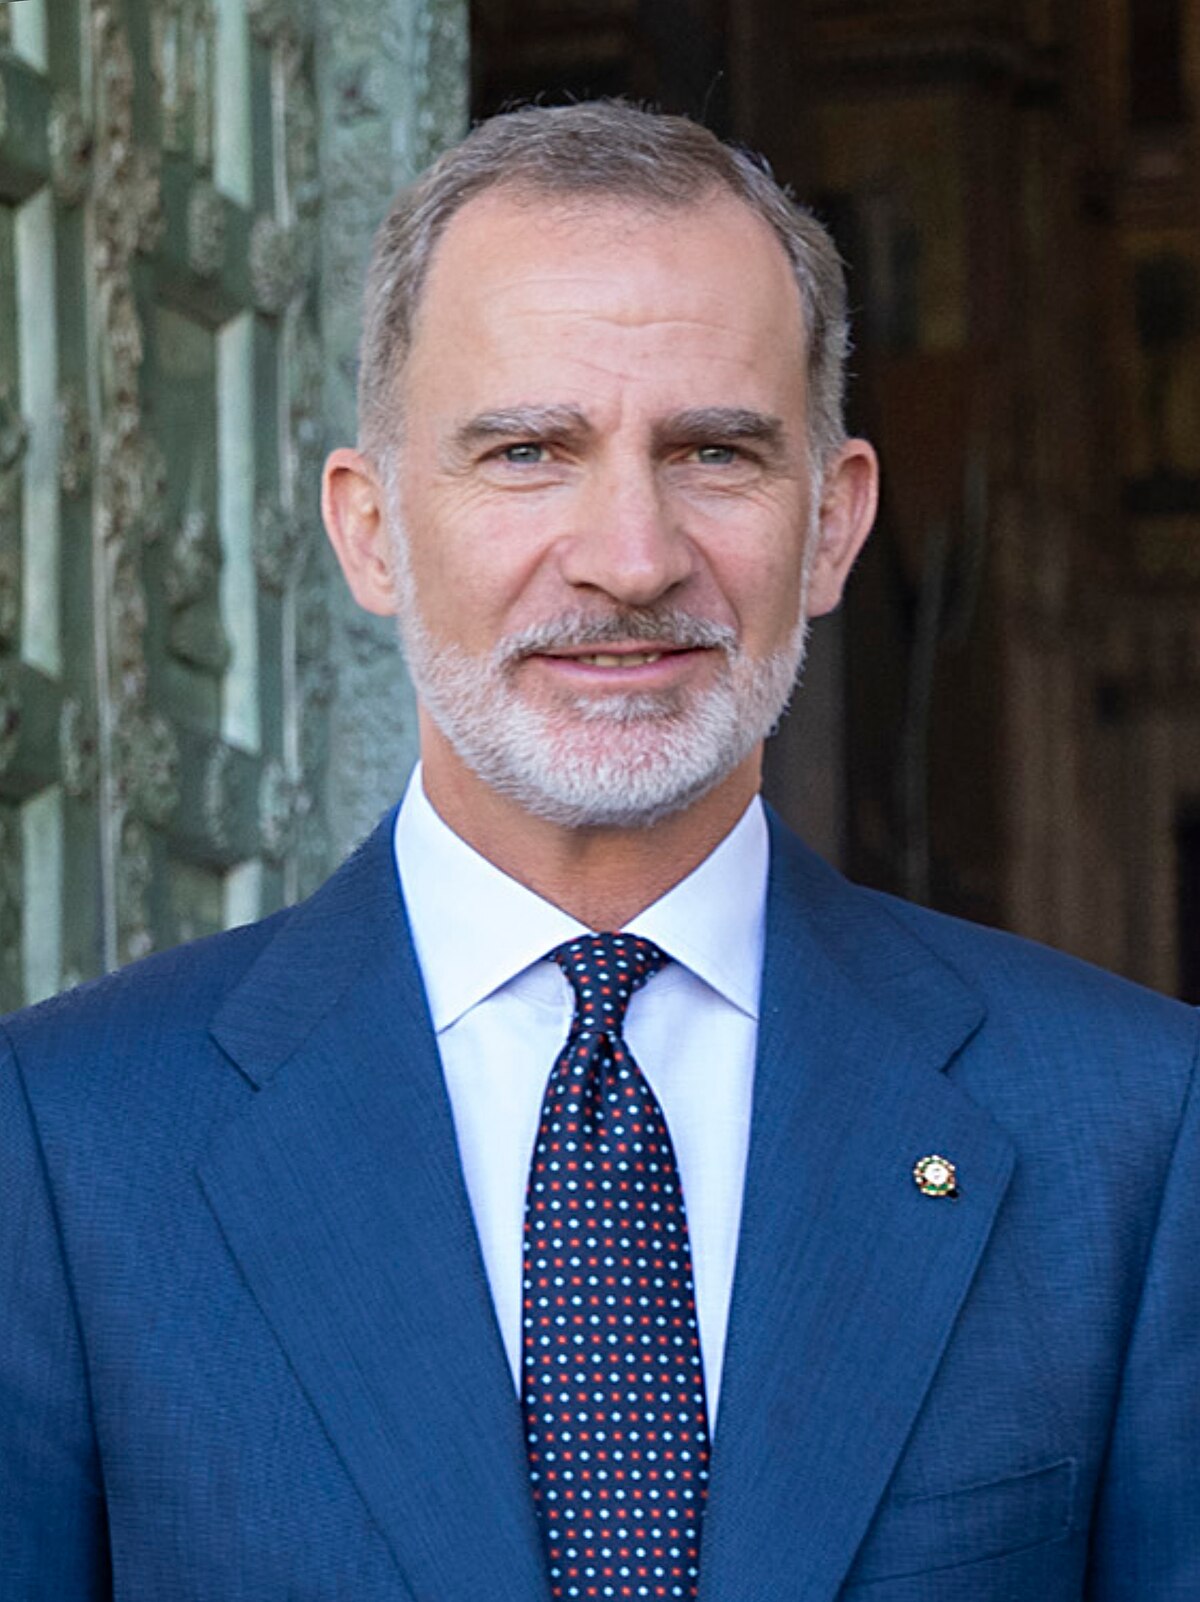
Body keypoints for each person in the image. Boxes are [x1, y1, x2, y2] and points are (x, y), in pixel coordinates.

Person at [1, 101, 1196, 1602]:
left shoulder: (1133, 1130)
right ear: (371, 531)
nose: (630, 556)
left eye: (713, 451)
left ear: (833, 524)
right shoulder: (63, 1146)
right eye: (526, 450)